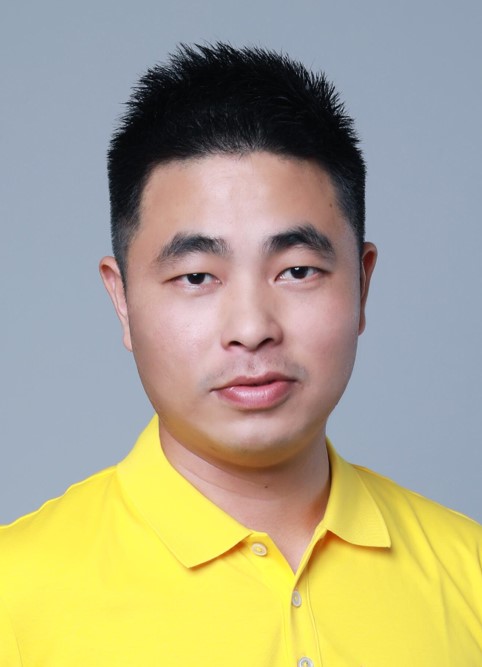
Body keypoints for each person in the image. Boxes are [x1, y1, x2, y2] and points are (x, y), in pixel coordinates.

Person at [0, 43, 481, 666]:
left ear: (362, 285)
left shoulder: (469, 572)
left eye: (298, 270)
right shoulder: (16, 596)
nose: (252, 329)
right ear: (123, 300)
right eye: (197, 276)